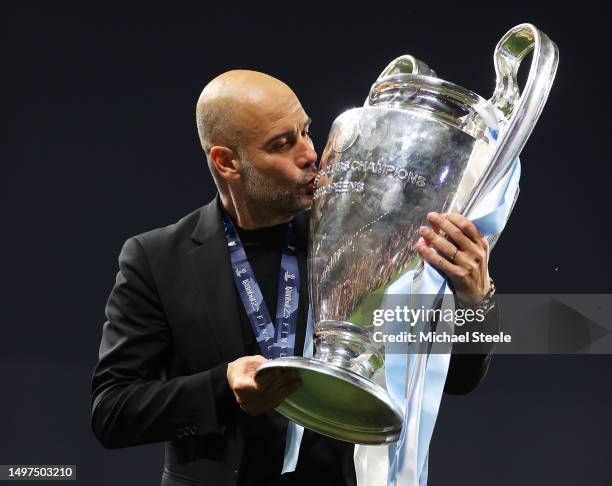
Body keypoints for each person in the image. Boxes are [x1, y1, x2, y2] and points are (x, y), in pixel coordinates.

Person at [90, 70, 498, 486]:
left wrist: (476, 299)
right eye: (282, 144)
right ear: (227, 162)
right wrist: (222, 390)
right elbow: (112, 411)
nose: (310, 154)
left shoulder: (364, 239)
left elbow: (460, 380)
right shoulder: (156, 258)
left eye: (306, 132)